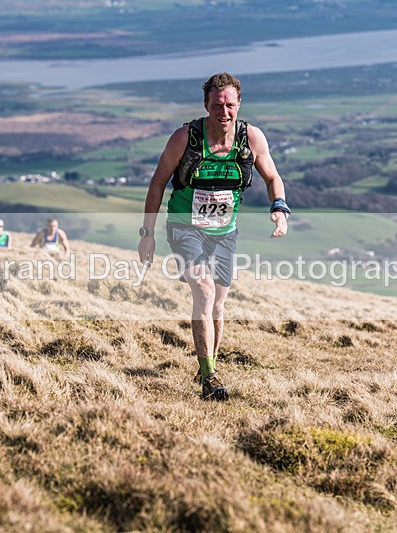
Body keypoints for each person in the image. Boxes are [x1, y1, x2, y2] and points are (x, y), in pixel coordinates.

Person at [137, 72, 291, 401]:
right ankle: (209, 378)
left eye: (230, 104)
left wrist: (279, 207)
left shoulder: (251, 138)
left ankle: (209, 364)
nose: (224, 111)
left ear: (239, 104)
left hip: (225, 233)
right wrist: (147, 234)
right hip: (185, 227)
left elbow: (272, 176)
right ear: (206, 104)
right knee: (204, 293)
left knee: (219, 304)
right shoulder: (185, 137)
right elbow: (157, 183)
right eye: (217, 104)